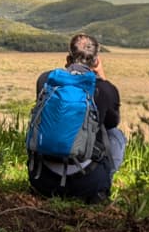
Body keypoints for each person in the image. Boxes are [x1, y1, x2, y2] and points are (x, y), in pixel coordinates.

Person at [29, 32, 126, 203]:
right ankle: (102, 188)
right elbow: (111, 123)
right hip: (87, 183)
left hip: (41, 180)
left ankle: (44, 176)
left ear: (68, 58)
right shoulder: (104, 89)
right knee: (116, 135)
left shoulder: (46, 80)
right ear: (96, 61)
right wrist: (103, 79)